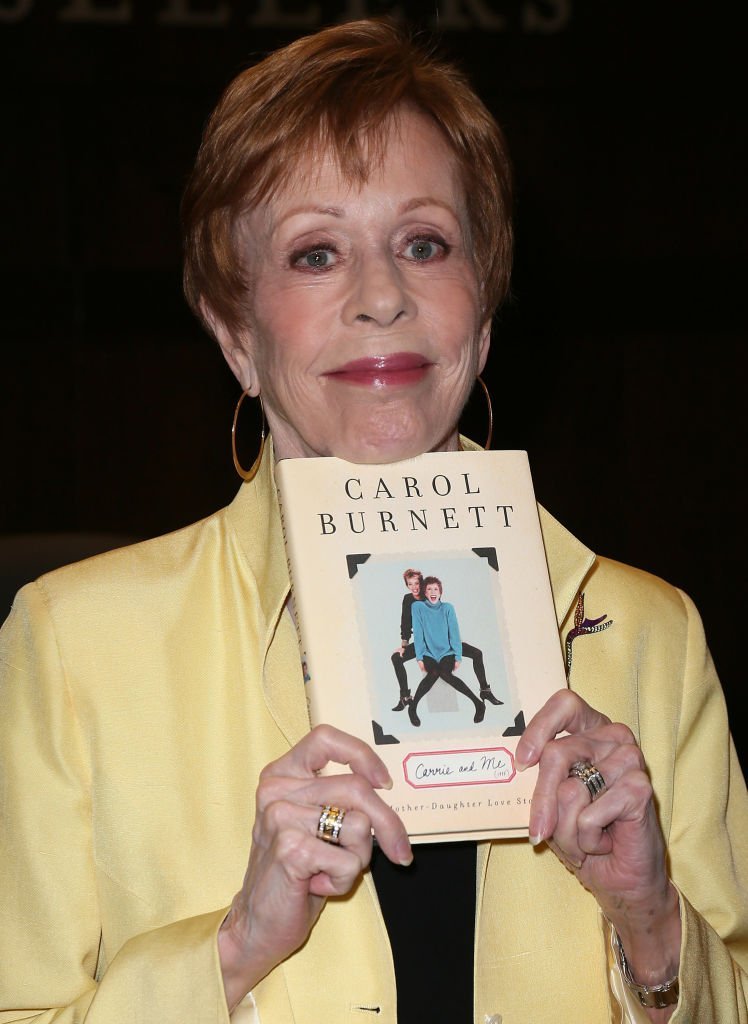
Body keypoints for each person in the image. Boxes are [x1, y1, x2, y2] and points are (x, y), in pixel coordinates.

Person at [1, 17, 746, 1024]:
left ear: (480, 317)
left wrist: (654, 925)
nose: (382, 296)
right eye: (316, 254)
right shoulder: (71, 647)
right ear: (236, 335)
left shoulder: (651, 634)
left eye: (423, 243)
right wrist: (231, 949)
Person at [391, 567, 502, 711]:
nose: (414, 587)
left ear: (422, 584)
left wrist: (455, 647)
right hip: (424, 644)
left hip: (443, 641)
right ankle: (405, 697)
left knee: (477, 653)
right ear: (406, 585)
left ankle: (485, 691)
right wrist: (404, 645)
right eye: (410, 584)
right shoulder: (408, 600)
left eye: (417, 583)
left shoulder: (430, 595)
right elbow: (405, 623)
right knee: (396, 658)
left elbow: (442, 622)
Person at [408, 575, 486, 726]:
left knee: (445, 673)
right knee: (433, 673)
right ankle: (413, 708)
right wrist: (419, 657)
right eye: (429, 588)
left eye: (436, 588)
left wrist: (457, 655)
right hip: (428, 652)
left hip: (447, 651)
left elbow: (454, 632)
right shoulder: (418, 607)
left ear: (440, 592)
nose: (432, 591)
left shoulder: (447, 608)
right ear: (424, 592)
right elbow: (418, 633)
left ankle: (478, 704)